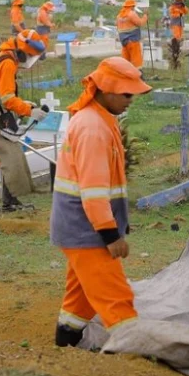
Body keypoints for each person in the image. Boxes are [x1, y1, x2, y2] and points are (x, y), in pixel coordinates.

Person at [51, 57, 153, 347]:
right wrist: (111, 234)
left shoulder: (98, 120)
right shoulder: (93, 127)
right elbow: (94, 191)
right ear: (107, 90)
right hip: (88, 231)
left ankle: (65, 345)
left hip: (80, 228)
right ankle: (136, 353)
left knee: (80, 297)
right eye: (127, 93)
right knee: (116, 297)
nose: (131, 99)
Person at [0, 29, 49, 213]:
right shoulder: (7, 64)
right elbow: (7, 98)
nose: (29, 60)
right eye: (30, 56)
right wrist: (30, 110)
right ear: (22, 50)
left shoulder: (6, 55)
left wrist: (23, 104)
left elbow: (3, 94)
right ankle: (7, 201)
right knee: (10, 152)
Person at [116, 0, 148, 70]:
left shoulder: (119, 16)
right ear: (132, 6)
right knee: (136, 59)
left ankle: (125, 75)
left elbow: (118, 27)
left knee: (125, 60)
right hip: (133, 40)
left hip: (124, 42)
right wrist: (145, 16)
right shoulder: (131, 14)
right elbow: (140, 23)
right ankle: (138, 75)